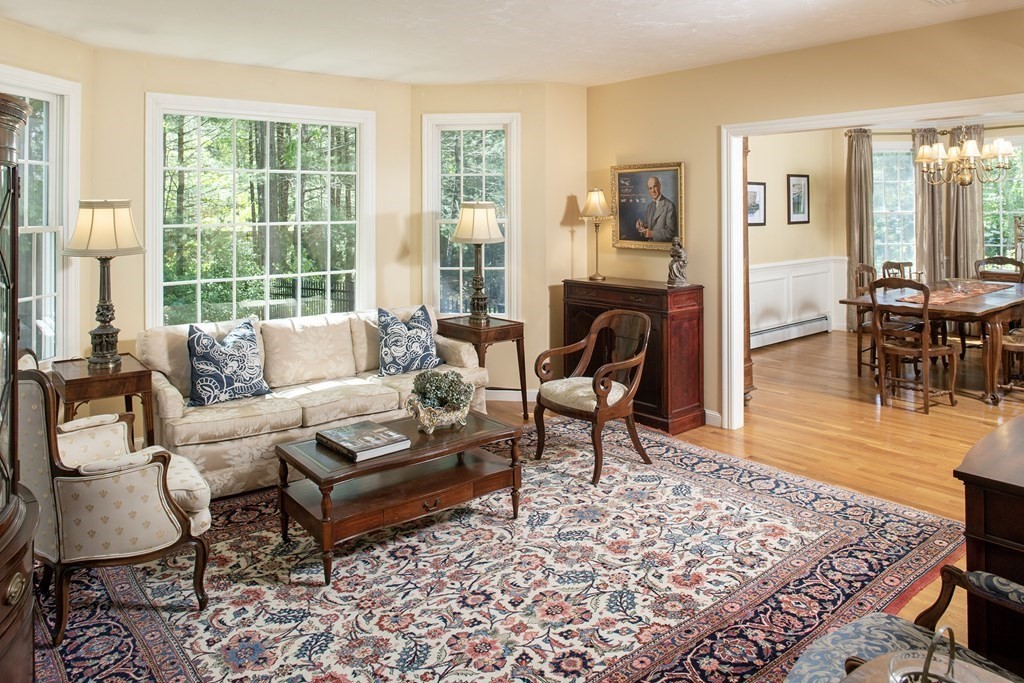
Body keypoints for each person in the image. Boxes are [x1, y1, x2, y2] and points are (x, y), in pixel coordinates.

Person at [635, 175, 677, 242]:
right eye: (650, 188)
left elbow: (671, 232)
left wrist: (652, 234)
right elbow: (650, 227)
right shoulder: (650, 206)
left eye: (654, 186)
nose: (653, 191)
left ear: (659, 186)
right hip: (651, 248)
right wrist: (642, 227)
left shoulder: (669, 206)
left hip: (662, 249)